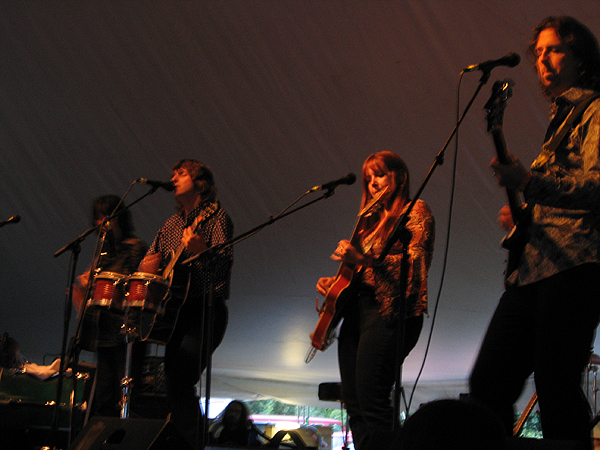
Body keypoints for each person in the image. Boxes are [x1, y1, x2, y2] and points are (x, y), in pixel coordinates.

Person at [469, 16, 600, 448]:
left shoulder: (596, 109)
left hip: (575, 267)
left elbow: (596, 187)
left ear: (581, 57)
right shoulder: (558, 119)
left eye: (554, 49)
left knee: (556, 386)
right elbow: (556, 194)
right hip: (531, 271)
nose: (543, 60)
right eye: (538, 53)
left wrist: (526, 182)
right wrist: (526, 215)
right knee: (488, 380)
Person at [316, 151, 435, 450]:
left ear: (400, 177)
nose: (372, 184)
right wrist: (334, 284)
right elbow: (359, 273)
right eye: (368, 179)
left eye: (379, 175)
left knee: (373, 398)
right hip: (357, 313)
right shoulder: (369, 223)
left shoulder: (415, 211)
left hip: (390, 312)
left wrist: (364, 260)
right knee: (353, 401)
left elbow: (416, 265)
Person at [142, 159, 234, 448]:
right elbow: (151, 259)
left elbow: (223, 268)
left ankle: (195, 443)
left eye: (181, 174)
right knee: (171, 383)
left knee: (181, 380)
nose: (173, 178)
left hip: (205, 310)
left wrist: (202, 250)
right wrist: (147, 267)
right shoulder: (171, 224)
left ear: (200, 183)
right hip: (176, 312)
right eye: (172, 174)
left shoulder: (216, 217)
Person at [72, 194, 148, 417]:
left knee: (127, 394)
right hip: (104, 331)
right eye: (98, 218)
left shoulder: (135, 247)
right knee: (104, 395)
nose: (101, 222)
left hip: (128, 331)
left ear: (120, 218)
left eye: (107, 216)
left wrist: (102, 285)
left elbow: (137, 286)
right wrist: (83, 291)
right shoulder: (102, 251)